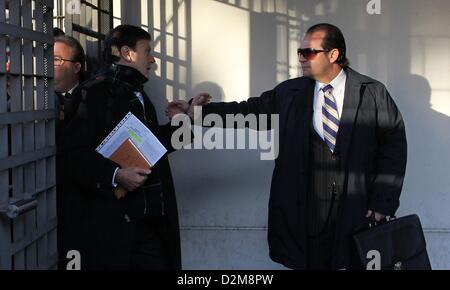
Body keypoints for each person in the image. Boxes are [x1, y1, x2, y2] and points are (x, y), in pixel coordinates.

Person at [169, 23, 407, 270]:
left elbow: (394, 149)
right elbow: (248, 111)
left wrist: (383, 202)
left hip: (354, 207)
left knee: (352, 261)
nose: (301, 59)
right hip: (304, 209)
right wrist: (196, 112)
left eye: (309, 52)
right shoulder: (290, 92)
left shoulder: (372, 93)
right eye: (300, 52)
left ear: (334, 54)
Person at [59, 25, 204, 270]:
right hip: (113, 227)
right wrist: (116, 175)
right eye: (147, 51)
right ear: (127, 53)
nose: (152, 59)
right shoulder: (93, 93)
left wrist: (188, 120)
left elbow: (154, 147)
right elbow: (72, 155)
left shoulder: (137, 94)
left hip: (148, 222)